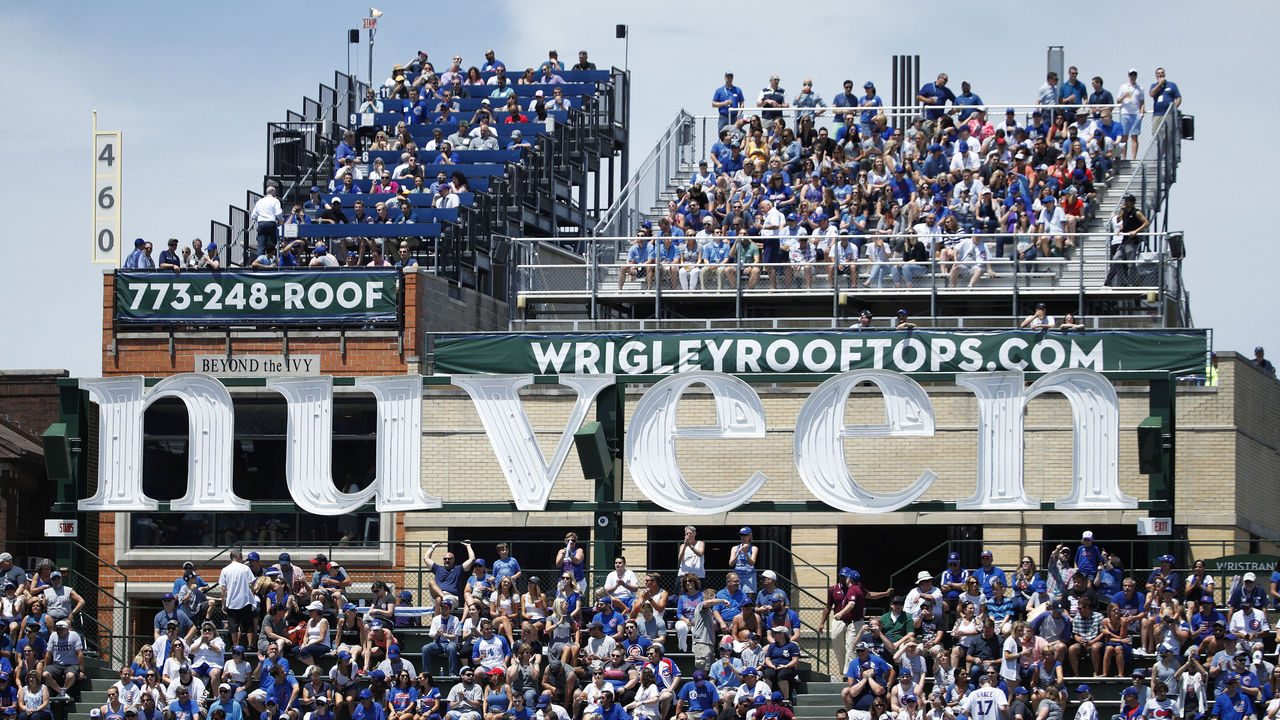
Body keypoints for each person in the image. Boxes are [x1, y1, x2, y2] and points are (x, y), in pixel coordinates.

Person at [250, 187, 284, 257]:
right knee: (273, 243)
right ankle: (273, 259)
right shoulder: (275, 201)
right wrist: (281, 220)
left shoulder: (260, 201)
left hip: (261, 223)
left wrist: (259, 220)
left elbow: (253, 216)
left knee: (261, 244)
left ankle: (260, 260)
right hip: (271, 223)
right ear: (273, 192)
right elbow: (278, 213)